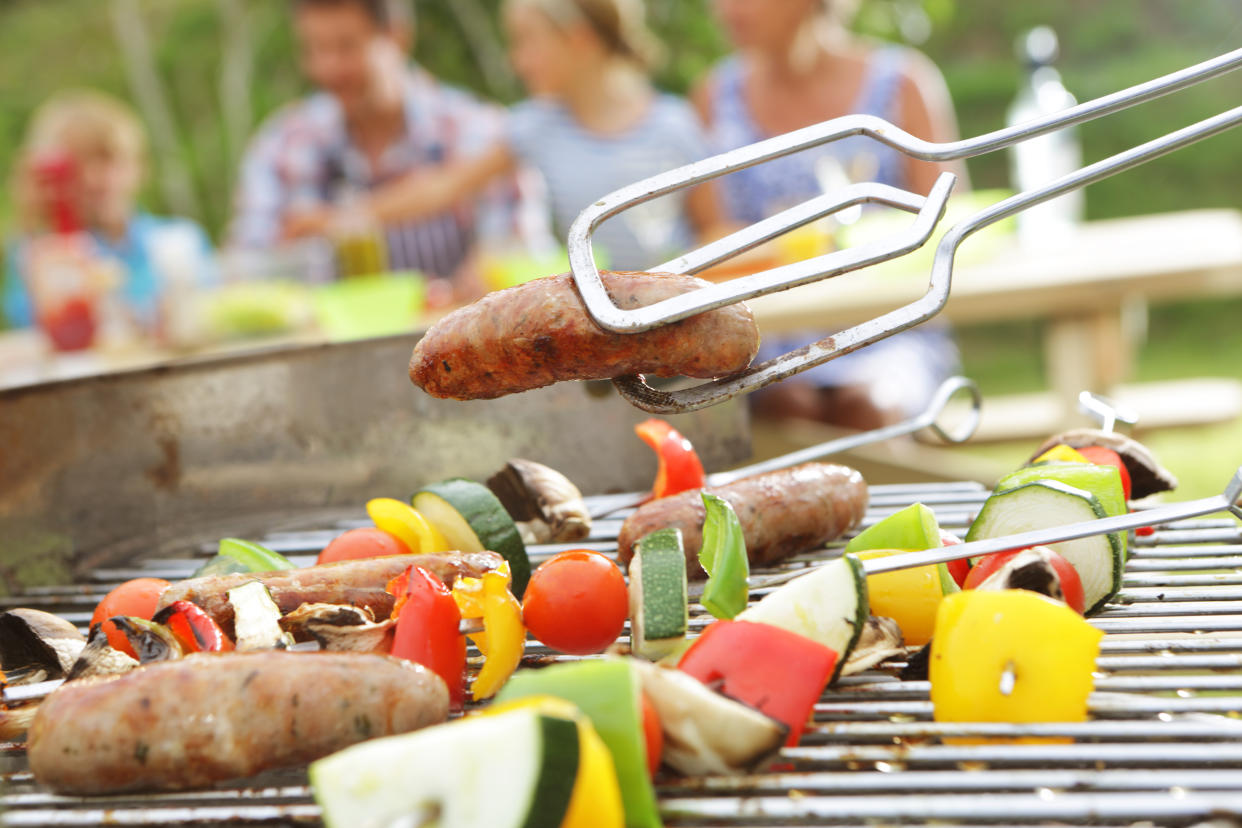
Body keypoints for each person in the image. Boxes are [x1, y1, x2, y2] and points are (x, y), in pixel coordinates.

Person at [291, 0, 725, 273]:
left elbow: (716, 227)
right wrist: (343, 217)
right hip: (596, 321)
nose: (517, 61)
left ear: (579, 40)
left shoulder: (674, 126)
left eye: (526, 43)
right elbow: (441, 188)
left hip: (672, 312)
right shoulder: (535, 126)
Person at [694, 0, 967, 429]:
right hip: (771, 336)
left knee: (868, 406)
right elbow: (711, 243)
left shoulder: (902, 83)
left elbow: (951, 222)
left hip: (893, 328)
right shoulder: (714, 97)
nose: (725, 8)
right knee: (788, 406)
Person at [230, 0, 531, 298]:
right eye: (315, 49)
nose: (328, 67)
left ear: (396, 36)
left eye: (346, 47)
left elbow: (517, 262)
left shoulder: (481, 133)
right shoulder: (282, 146)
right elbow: (245, 271)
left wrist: (484, 273)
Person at [2, 90, 214, 341]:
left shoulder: (180, 239)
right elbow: (30, 325)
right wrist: (32, 222)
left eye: (108, 159)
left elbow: (210, 312)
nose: (94, 178)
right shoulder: (44, 254)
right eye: (79, 165)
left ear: (140, 167)